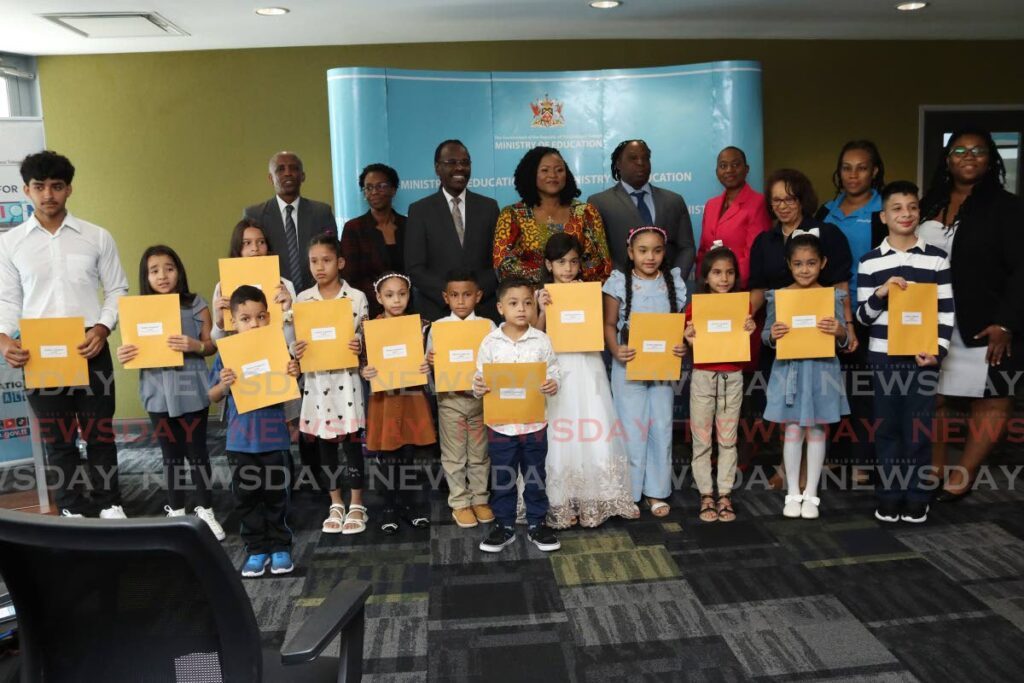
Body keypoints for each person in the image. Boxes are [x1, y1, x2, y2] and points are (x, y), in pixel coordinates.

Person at [0, 151, 129, 519]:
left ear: (69, 189)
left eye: (56, 186)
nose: (48, 195)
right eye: (39, 187)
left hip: (91, 345)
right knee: (58, 439)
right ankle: (73, 508)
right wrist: (4, 339)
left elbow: (118, 289)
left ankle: (110, 504)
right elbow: (7, 299)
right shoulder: (11, 244)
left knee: (99, 433)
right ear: (26, 190)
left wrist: (103, 328)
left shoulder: (96, 236)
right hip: (40, 353)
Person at [917, 129, 1024, 500]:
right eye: (959, 150)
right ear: (947, 159)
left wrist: (1007, 322)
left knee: (991, 396)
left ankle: (965, 471)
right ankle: (935, 464)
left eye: (978, 150)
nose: (968, 156)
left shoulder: (1007, 208)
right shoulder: (928, 202)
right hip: (931, 319)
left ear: (990, 158)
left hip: (987, 320)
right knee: (934, 396)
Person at [856, 181, 954, 523]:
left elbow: (946, 312)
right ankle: (889, 495)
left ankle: (916, 495)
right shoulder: (869, 263)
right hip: (883, 358)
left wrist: (938, 351)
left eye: (912, 207)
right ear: (883, 216)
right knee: (887, 429)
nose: (906, 214)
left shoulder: (937, 259)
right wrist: (881, 293)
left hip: (922, 358)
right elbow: (861, 317)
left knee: (918, 428)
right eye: (897, 208)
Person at [115, 245, 223, 539]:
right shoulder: (137, 310)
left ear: (179, 271)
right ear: (145, 276)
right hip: (157, 391)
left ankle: (206, 510)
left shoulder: (195, 303)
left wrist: (195, 346)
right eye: (154, 270)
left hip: (191, 388)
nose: (162, 275)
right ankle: (176, 510)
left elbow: (211, 345)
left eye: (169, 268)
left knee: (197, 453)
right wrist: (126, 353)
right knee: (170, 455)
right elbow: (132, 350)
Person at [535, 233, 638, 528]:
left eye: (573, 262)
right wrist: (542, 310)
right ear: (548, 265)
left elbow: (600, 328)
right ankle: (561, 500)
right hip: (557, 366)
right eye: (561, 262)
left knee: (593, 421)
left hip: (586, 362)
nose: (567, 269)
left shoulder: (589, 291)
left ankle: (595, 497)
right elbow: (535, 337)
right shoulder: (543, 293)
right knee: (560, 426)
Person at [208, 286, 300, 577]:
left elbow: (291, 391)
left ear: (269, 317)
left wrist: (294, 372)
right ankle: (256, 550)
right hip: (240, 443)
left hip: (274, 440)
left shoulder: (278, 350)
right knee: (246, 499)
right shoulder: (227, 355)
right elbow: (212, 395)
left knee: (276, 496)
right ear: (234, 322)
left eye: (261, 317)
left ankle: (280, 546)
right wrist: (224, 383)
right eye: (246, 318)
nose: (255, 323)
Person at [762, 234, 850, 519]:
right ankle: (792, 493)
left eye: (811, 263)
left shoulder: (832, 296)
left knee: (817, 430)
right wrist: (772, 335)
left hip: (822, 372)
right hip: (790, 372)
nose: (804, 269)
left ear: (822, 263)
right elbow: (766, 335)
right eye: (798, 263)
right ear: (789, 264)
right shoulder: (779, 296)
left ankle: (811, 492)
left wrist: (839, 331)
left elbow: (844, 338)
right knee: (792, 430)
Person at [603, 226, 688, 517]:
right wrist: (616, 349)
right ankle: (629, 492)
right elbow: (609, 324)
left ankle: (656, 492)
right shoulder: (618, 282)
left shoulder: (673, 283)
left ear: (664, 252)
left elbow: (678, 328)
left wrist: (681, 347)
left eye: (657, 250)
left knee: (661, 426)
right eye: (642, 250)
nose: (650, 256)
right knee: (630, 428)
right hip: (629, 365)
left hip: (662, 368)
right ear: (630, 253)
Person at [474, 278, 561, 552]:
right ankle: (505, 525)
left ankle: (537, 523)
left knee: (535, 475)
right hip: (501, 426)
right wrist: (478, 386)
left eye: (527, 303)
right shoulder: (490, 343)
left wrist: (553, 383)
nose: (521, 309)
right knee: (503, 477)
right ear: (500, 308)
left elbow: (554, 371)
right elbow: (479, 379)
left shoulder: (542, 340)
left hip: (534, 424)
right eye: (513, 303)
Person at [291, 234, 368, 535]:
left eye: (326, 260)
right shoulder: (302, 299)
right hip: (316, 382)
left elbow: (366, 337)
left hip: (346, 381)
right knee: (324, 444)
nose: (319, 267)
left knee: (351, 443)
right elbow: (297, 341)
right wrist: (296, 350)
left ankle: (358, 502)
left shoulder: (356, 297)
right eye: (313, 261)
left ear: (340, 262)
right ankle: (335, 500)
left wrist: (358, 343)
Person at [683, 245, 756, 523]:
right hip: (703, 377)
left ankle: (724, 493)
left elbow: (738, 341)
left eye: (729, 273)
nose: (723, 278)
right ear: (706, 277)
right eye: (717, 273)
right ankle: (706, 495)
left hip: (732, 377)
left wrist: (748, 331)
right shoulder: (695, 307)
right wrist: (689, 338)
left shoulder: (742, 306)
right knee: (701, 440)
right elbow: (690, 346)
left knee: (727, 439)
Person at [360, 272, 436, 534]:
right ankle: (388, 507)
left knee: (410, 455)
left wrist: (428, 363)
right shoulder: (370, 327)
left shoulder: (420, 325)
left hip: (411, 397)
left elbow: (429, 358)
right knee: (387, 457)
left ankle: (412, 506)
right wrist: (365, 371)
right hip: (384, 400)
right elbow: (363, 362)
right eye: (390, 295)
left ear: (409, 294)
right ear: (379, 297)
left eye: (402, 294)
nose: (396, 300)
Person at [425, 270, 496, 528]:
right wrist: (431, 361)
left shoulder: (488, 326)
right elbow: (426, 364)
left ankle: (480, 498)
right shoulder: (439, 328)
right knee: (454, 454)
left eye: (467, 295)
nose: (461, 301)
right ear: (446, 298)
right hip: (450, 400)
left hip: (480, 399)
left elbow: (495, 360)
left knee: (479, 452)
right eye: (454, 296)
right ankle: (459, 502)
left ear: (478, 296)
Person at [405, 140, 499, 321]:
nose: (459, 168)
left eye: (465, 162)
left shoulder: (489, 207)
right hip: (437, 312)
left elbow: (498, 263)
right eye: (451, 162)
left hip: (483, 312)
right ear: (437, 168)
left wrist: (473, 295)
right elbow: (415, 268)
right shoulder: (419, 210)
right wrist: (451, 296)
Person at [493, 146, 611, 284]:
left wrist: (573, 282)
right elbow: (502, 265)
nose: (553, 175)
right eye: (545, 170)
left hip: (578, 297)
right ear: (530, 174)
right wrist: (548, 285)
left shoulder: (586, 213)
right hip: (527, 300)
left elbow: (603, 264)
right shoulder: (512, 215)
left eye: (559, 170)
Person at [587, 139, 696, 276]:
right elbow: (596, 253)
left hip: (668, 291)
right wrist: (621, 285)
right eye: (633, 158)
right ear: (618, 164)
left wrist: (674, 281)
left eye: (645, 158)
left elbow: (686, 248)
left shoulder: (674, 201)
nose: (640, 163)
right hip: (621, 292)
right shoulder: (599, 203)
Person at [244, 151, 338, 293]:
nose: (288, 173)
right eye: (280, 169)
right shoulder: (255, 214)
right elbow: (246, 261)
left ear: (303, 176)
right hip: (273, 296)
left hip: (317, 295)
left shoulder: (321, 212)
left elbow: (333, 254)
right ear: (271, 178)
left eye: (294, 168)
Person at [696, 146, 772, 289]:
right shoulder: (711, 205)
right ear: (717, 172)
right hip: (711, 291)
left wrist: (730, 286)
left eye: (735, 164)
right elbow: (703, 252)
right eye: (723, 166)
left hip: (741, 289)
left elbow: (753, 254)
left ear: (746, 169)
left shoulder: (758, 202)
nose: (729, 170)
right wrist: (704, 284)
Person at [340, 163, 406, 318]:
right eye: (368, 188)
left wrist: (400, 301)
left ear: (393, 189)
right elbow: (351, 276)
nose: (374, 192)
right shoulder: (353, 228)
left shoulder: (408, 225)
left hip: (407, 308)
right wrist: (383, 301)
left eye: (381, 186)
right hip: (370, 310)